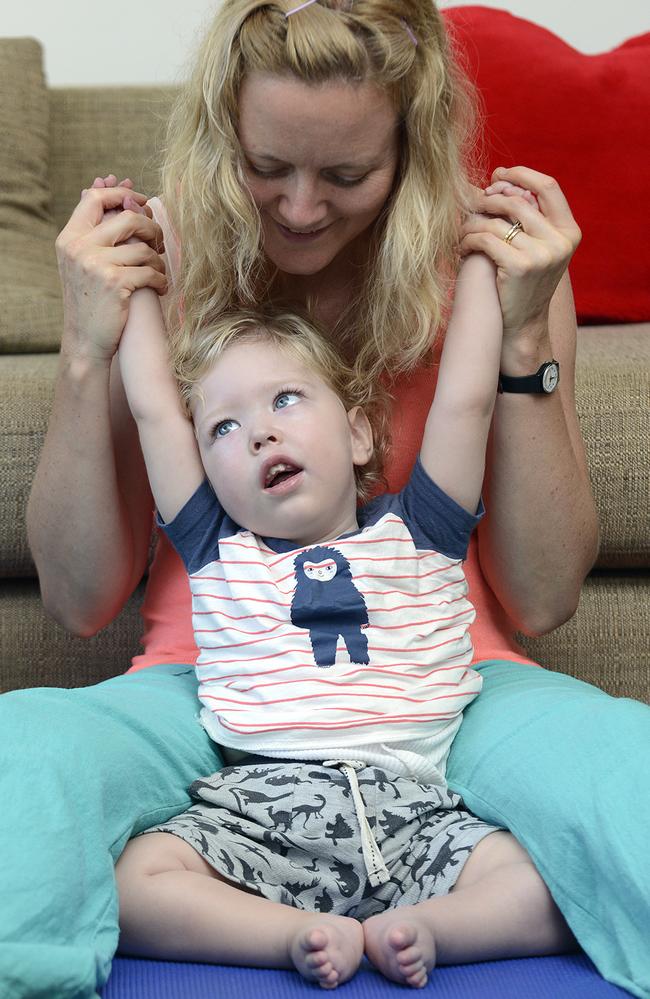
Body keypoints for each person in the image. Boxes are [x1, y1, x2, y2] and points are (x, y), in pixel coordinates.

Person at [3, 0, 646, 997]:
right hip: (206, 687)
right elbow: (81, 599)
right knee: (22, 757)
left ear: (410, 150)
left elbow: (545, 596)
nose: (301, 208)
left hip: (450, 687)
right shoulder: (148, 263)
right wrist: (88, 354)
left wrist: (524, 342)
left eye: (346, 175)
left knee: (625, 766)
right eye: (268, 168)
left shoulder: (487, 269)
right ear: (223, 133)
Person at [113, 259, 573, 988]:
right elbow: (151, 410)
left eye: (286, 399)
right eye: (224, 426)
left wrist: (486, 263)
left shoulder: (422, 533)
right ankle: (291, 934)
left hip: (419, 807)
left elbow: (465, 401)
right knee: (134, 879)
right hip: (263, 809)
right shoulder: (217, 552)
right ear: (206, 467)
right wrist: (132, 285)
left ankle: (429, 930)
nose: (259, 433)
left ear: (360, 433)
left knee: (556, 877)